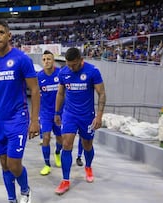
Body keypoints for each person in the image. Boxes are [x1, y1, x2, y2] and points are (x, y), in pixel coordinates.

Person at [0, 20, 40, 203]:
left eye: (1, 33)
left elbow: (34, 90)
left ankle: (25, 190)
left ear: (9, 35)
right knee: (4, 164)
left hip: (18, 119)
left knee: (13, 163)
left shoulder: (22, 59)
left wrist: (34, 120)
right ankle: (12, 198)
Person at [54, 47, 106, 195]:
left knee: (87, 144)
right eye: (69, 64)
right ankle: (65, 180)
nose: (71, 68)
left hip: (87, 116)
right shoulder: (64, 72)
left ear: (81, 60)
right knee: (66, 144)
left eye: (74, 65)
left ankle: (88, 166)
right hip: (69, 115)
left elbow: (101, 94)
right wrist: (57, 112)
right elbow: (60, 93)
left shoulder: (92, 71)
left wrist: (99, 116)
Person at [37, 50, 63, 176]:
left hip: (59, 113)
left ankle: (57, 153)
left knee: (60, 139)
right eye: (44, 59)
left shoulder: (60, 73)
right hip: (45, 113)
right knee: (46, 138)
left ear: (53, 61)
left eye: (49, 59)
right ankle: (47, 165)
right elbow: (35, 96)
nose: (46, 61)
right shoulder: (39, 77)